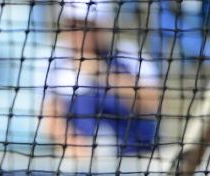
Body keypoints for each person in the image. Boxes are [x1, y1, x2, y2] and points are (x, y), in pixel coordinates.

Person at [41, 0, 161, 157]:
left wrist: (101, 73)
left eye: (87, 26)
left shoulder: (129, 54)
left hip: (134, 158)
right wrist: (72, 143)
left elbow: (152, 103)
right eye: (73, 25)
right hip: (82, 162)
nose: (80, 33)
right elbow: (50, 116)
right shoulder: (55, 60)